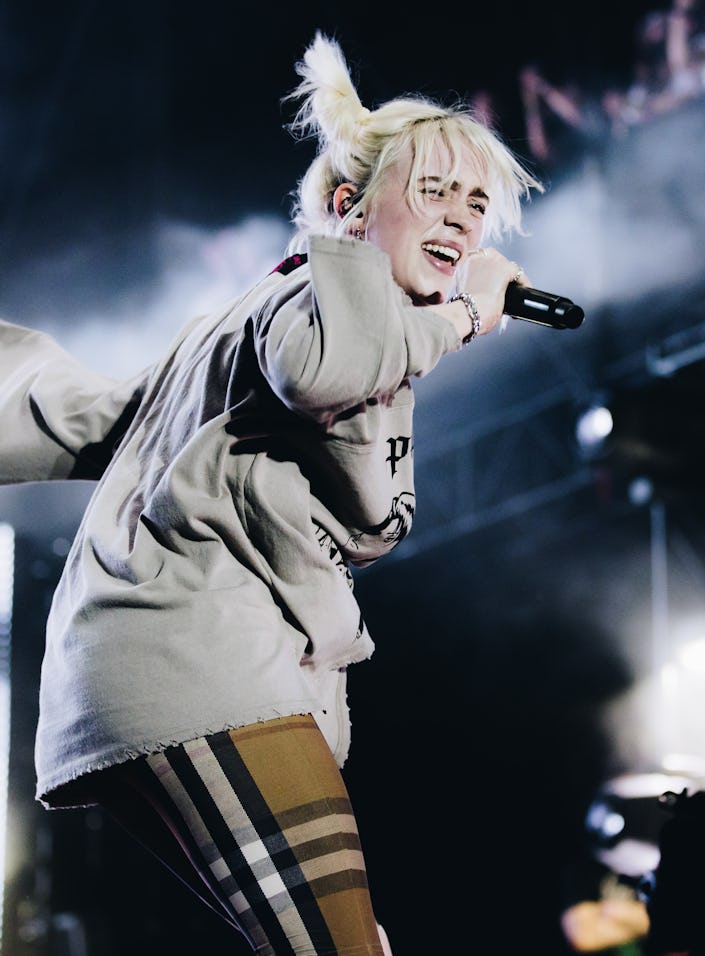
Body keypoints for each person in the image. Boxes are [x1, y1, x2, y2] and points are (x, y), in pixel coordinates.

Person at [0, 32, 541, 956]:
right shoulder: (322, 302)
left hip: (147, 673)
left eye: (478, 202)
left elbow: (95, 418)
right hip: (194, 666)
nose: (460, 218)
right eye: (435, 190)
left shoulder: (257, 310)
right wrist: (463, 316)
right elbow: (318, 369)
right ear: (348, 206)